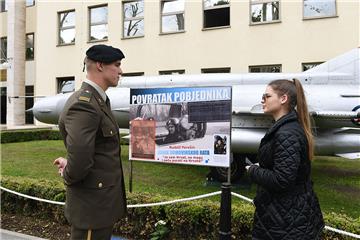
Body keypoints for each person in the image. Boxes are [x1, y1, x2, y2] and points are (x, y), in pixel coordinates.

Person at [53, 44, 127, 240]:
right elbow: (80, 160)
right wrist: (69, 173)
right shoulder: (84, 105)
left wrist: (70, 164)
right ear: (100, 65)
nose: (121, 71)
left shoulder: (98, 100)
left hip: (100, 205)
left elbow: (89, 152)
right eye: (117, 65)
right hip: (92, 208)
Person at [246, 79, 324, 239]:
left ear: (283, 99)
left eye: (266, 96)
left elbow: (282, 180)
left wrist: (253, 171)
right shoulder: (287, 127)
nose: (262, 100)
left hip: (285, 220)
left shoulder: (286, 133)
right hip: (286, 215)